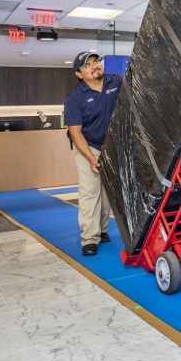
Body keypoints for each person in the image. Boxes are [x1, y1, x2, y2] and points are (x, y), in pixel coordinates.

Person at [64, 52, 123, 256]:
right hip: (88, 145)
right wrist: (91, 158)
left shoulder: (116, 82)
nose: (94, 66)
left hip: (111, 145)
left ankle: (103, 229)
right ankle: (89, 238)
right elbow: (76, 133)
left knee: (107, 192)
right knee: (90, 191)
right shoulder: (75, 97)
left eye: (96, 61)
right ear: (79, 74)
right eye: (87, 65)